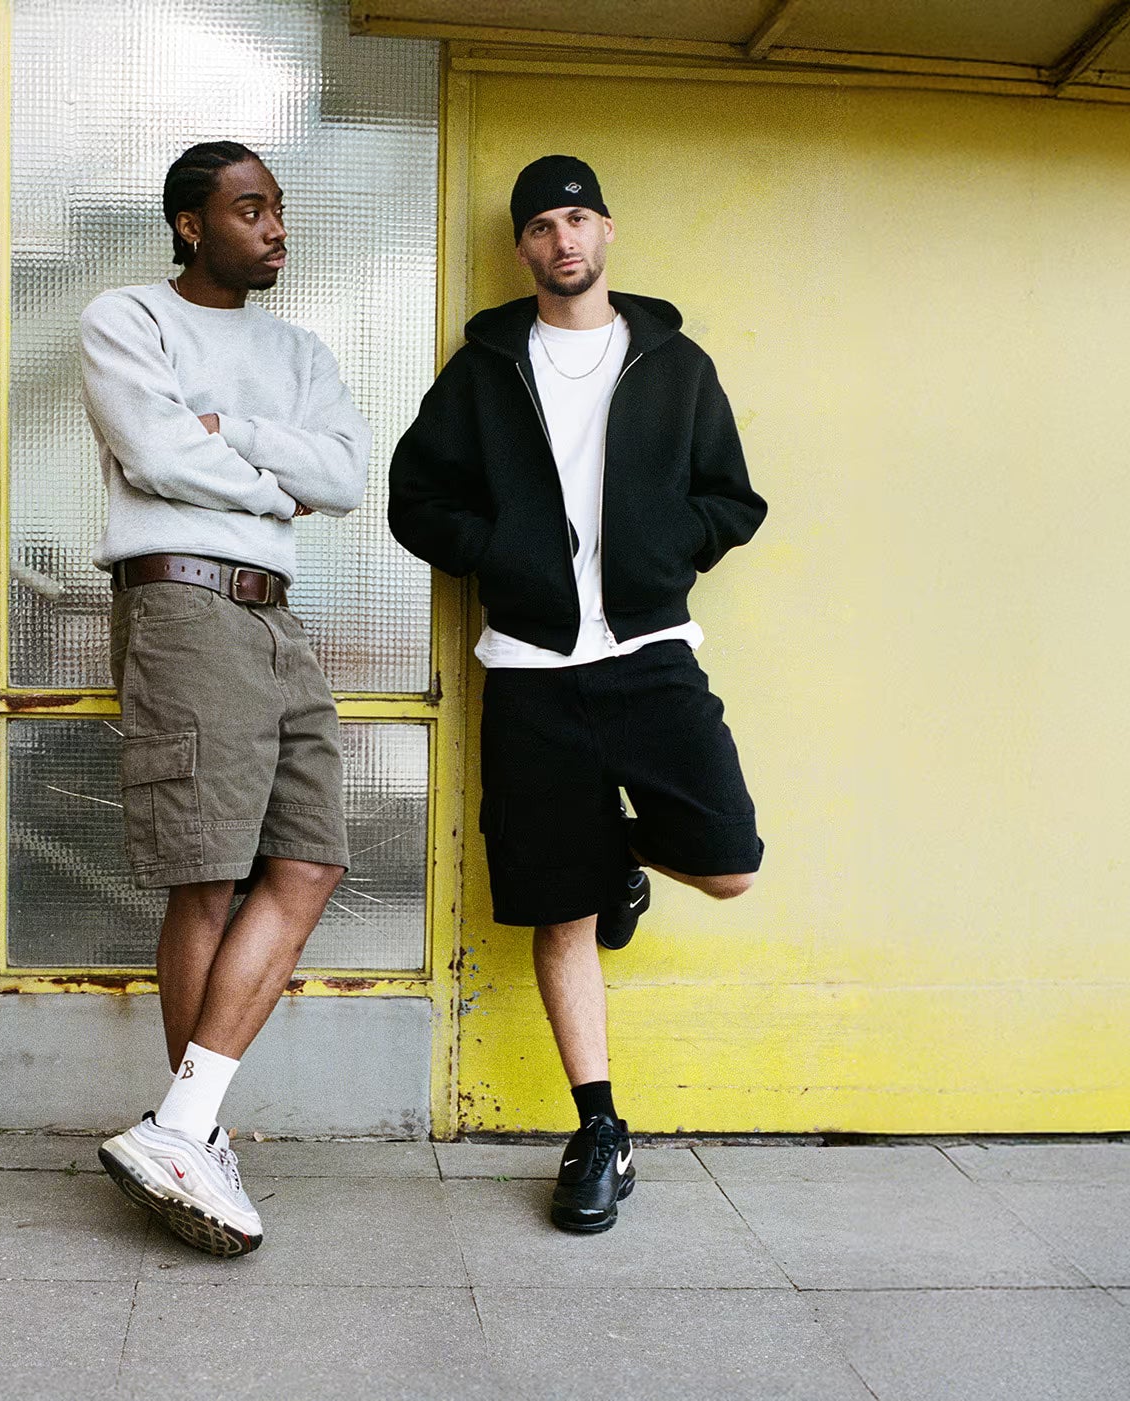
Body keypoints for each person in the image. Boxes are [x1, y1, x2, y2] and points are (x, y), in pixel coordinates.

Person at [389, 155, 767, 1233]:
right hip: (529, 673)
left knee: (730, 864)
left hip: (647, 651)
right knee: (557, 909)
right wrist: (503, 554)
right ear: (522, 249)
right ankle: (598, 1126)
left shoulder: (673, 363)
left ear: (606, 231)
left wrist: (663, 552)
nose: (563, 240)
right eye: (543, 226)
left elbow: (730, 498)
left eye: (577, 219)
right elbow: (414, 499)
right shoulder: (482, 370)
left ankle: (620, 860)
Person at [83, 141, 369, 1257]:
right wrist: (269, 487)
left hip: (274, 618)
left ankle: (182, 1127)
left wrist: (234, 436)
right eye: (248, 210)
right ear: (190, 225)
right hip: (184, 607)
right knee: (207, 874)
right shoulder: (128, 318)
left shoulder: (297, 350)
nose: (273, 227)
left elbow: (344, 478)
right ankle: (191, 1136)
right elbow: (152, 454)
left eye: (277, 208)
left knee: (309, 859)